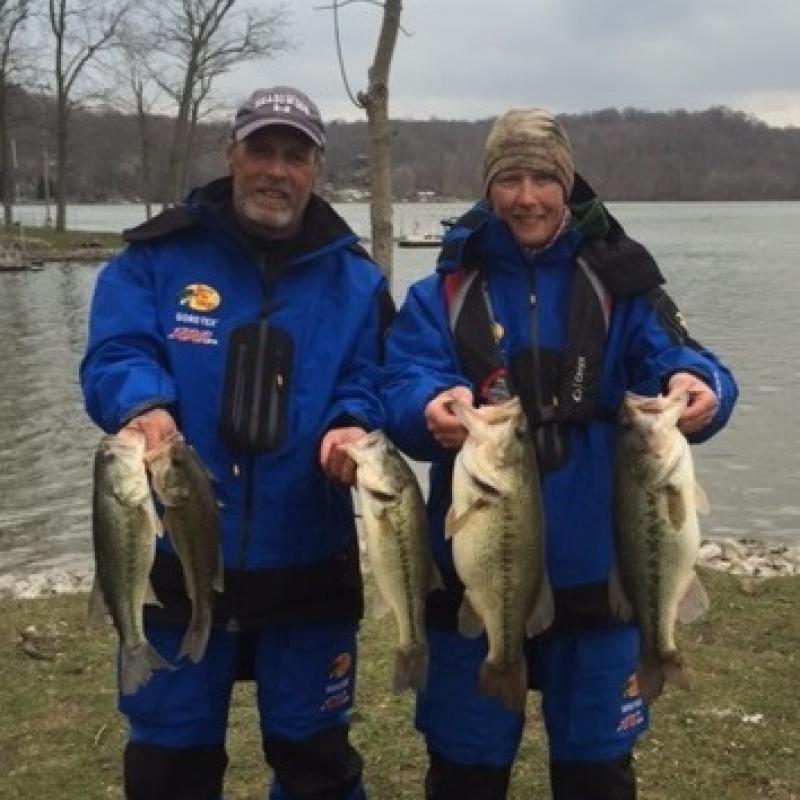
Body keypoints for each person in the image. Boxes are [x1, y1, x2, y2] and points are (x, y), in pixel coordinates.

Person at [380, 107, 737, 800]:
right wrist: (427, 406)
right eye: (508, 180)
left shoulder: (620, 281)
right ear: (488, 188)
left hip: (602, 577)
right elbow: (402, 382)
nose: (526, 198)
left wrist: (701, 388)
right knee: (464, 771)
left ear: (567, 185)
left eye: (543, 179)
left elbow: (682, 358)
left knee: (596, 774)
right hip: (476, 576)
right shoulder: (442, 291)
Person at [81, 86, 393, 800]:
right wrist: (143, 405)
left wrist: (352, 422)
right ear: (232, 155)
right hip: (174, 553)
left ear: (316, 170)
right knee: (170, 765)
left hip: (307, 560)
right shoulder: (156, 256)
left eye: (294, 156)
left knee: (316, 763)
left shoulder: (355, 280)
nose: (275, 170)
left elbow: (372, 377)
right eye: (261, 150)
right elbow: (116, 351)